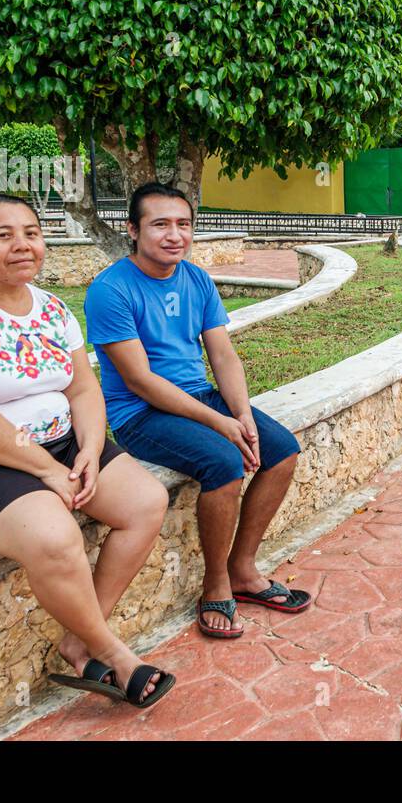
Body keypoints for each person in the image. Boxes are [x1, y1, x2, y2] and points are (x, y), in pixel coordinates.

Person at [0, 193, 175, 708]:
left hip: (61, 443)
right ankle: (113, 654)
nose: (23, 245)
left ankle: (80, 637)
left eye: (31, 232)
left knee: (145, 503)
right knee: (55, 537)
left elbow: (83, 390)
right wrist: (48, 471)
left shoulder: (51, 307)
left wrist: (91, 450)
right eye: (3, 235)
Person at [84, 182, 310, 639]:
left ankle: (243, 568)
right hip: (140, 414)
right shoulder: (110, 290)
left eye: (183, 224)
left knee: (282, 450)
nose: (174, 235)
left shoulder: (197, 279)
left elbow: (223, 355)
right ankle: (216, 584)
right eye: (160, 224)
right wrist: (218, 422)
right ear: (133, 230)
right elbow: (139, 380)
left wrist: (241, 413)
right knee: (224, 463)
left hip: (199, 395)